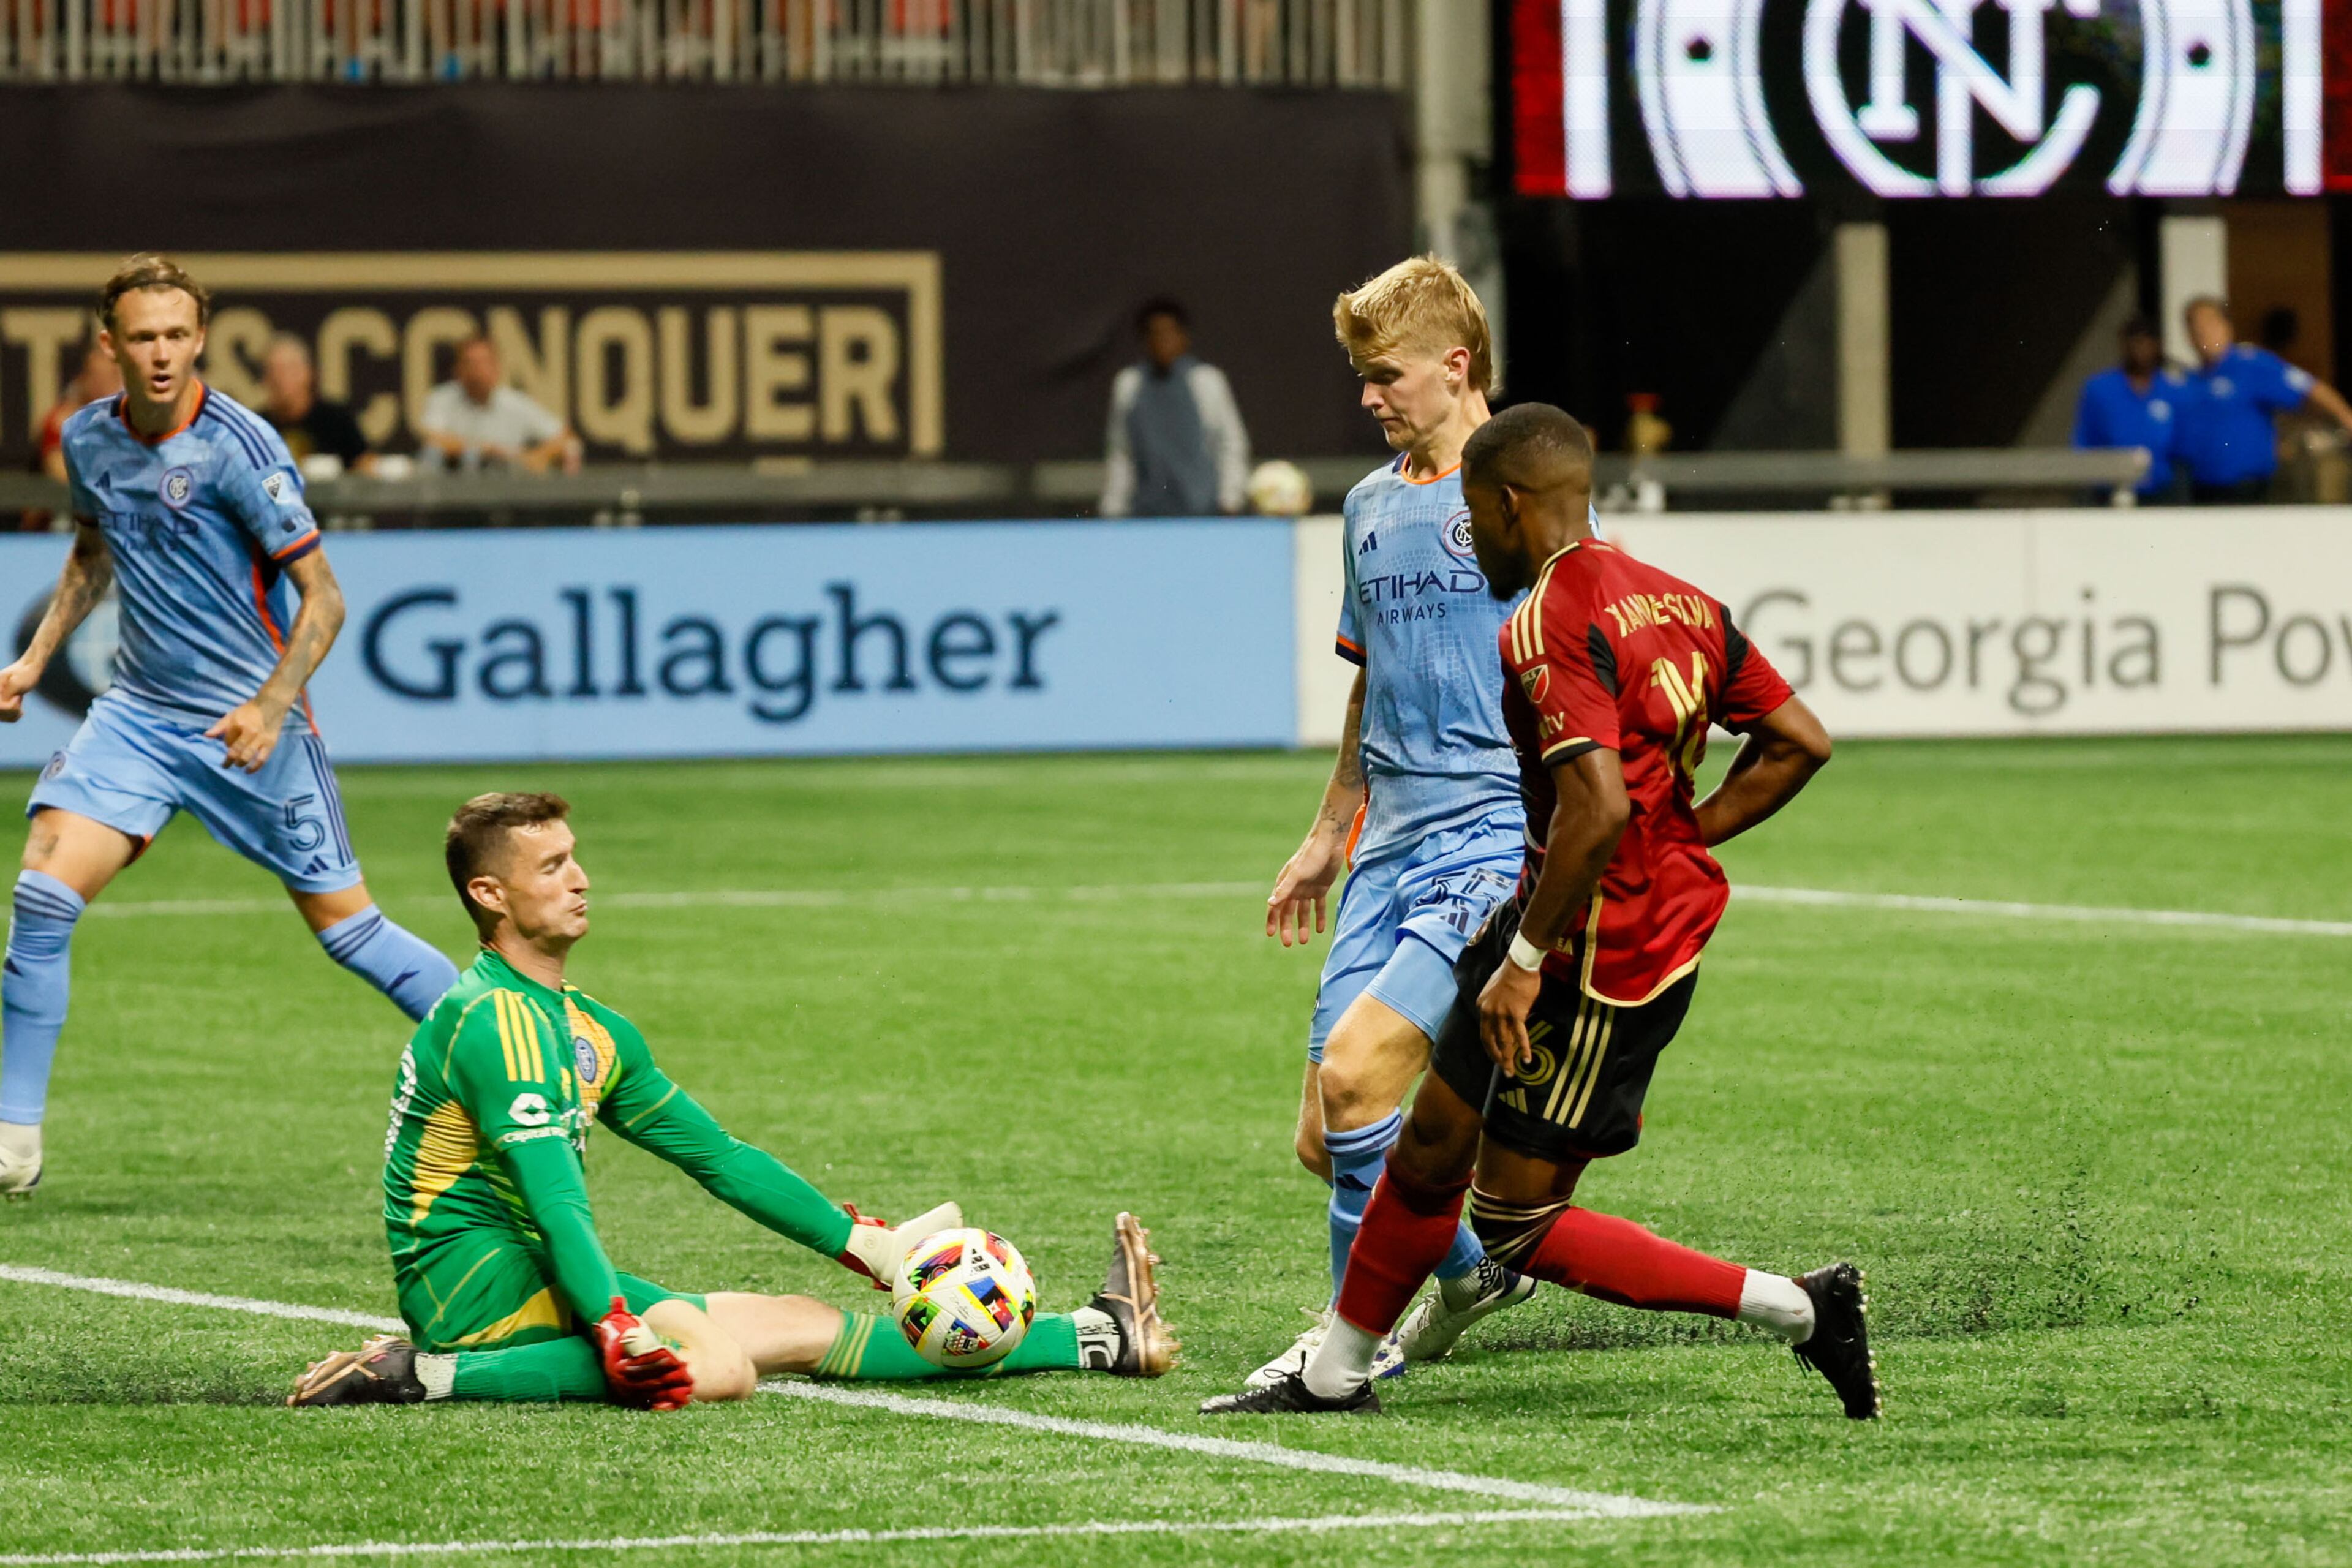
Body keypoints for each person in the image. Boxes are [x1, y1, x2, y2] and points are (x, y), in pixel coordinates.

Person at [1204, 403, 1877, 1420]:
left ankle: (1802, 1309)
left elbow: (1599, 807)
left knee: (1515, 1225)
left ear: (1513, 505)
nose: (1468, 538)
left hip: (1608, 956)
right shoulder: (1677, 600)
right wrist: (1684, 835)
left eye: (1475, 514)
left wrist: (1527, 954)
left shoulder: (1545, 621)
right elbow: (1800, 740)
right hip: (1546, 910)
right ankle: (1337, 1371)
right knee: (1429, 1142)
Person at [287, 792, 1176, 1408]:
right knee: (717, 1365)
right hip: (474, 1285)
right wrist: (613, 1326)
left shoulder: (588, 1027)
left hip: (528, 1261)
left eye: (576, 858)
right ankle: (427, 1376)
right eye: (552, 865)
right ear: (489, 894)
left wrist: (862, 1245)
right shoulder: (496, 1023)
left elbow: (718, 1157)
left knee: (801, 1323)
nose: (582, 878)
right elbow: (558, 1204)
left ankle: (1099, 1337)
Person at [0, 255, 459, 1199]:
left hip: (251, 723)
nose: (161, 354)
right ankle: (12, 1140)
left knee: (352, 934)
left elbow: (325, 600)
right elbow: (93, 554)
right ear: (110, 345)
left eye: (177, 335)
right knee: (44, 895)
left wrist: (271, 704)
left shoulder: (241, 449)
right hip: (135, 715)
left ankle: (518, 1053)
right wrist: (38, 658)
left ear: (199, 338)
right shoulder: (90, 439)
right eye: (142, 337)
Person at [1233, 256, 1539, 1399]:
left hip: (1492, 836)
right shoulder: (1368, 506)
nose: (1369, 398)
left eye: (1386, 376)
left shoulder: (1525, 489)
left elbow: (1587, 662)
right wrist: (1327, 832)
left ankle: (1342, 1342)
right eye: (1362, 378)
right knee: (1326, 1132)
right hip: (1390, 845)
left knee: (1361, 1084)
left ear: (1456, 369)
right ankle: (1469, 1275)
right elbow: (1372, 684)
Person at [2176, 296, 2352, 504]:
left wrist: (2346, 418)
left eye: (2210, 323)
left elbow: (2308, 388)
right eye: (2195, 325)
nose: (2203, 331)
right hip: (2200, 489)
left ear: (2227, 327)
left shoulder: (2252, 365)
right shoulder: (2189, 380)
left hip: (2247, 490)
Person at [1098, 298, 1250, 517]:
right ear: (1145, 341)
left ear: (1183, 337)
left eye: (1170, 333)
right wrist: (1113, 507)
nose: (1163, 342)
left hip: (1203, 511)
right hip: (1148, 514)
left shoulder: (1207, 381)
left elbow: (1231, 443)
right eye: (1155, 335)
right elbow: (1121, 452)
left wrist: (1231, 499)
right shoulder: (1128, 385)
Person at [418, 336, 581, 473]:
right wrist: (486, 450)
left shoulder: (514, 403)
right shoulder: (442, 399)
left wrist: (540, 456)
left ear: (497, 368)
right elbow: (433, 440)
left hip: (508, 494)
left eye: (484, 363)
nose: (478, 371)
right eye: (471, 363)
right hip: (451, 491)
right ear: (458, 369)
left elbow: (565, 437)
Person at [2071, 315, 2188, 502]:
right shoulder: (2100, 389)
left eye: (2147, 342)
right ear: (2124, 345)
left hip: (2162, 491)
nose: (2141, 349)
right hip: (2109, 490)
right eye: (2135, 342)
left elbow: (2183, 446)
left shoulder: (2173, 390)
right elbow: (2085, 440)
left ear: (2158, 345)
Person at [17, 340, 123, 533]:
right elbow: (61, 471)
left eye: (111, 377)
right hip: (54, 528)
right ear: (84, 378)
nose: (103, 385)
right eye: (96, 376)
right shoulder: (62, 421)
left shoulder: (133, 422)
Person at [260, 333, 372, 475]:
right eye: (273, 371)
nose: (279, 379)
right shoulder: (255, 427)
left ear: (308, 373)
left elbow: (366, 463)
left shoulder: (337, 421)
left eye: (288, 370)